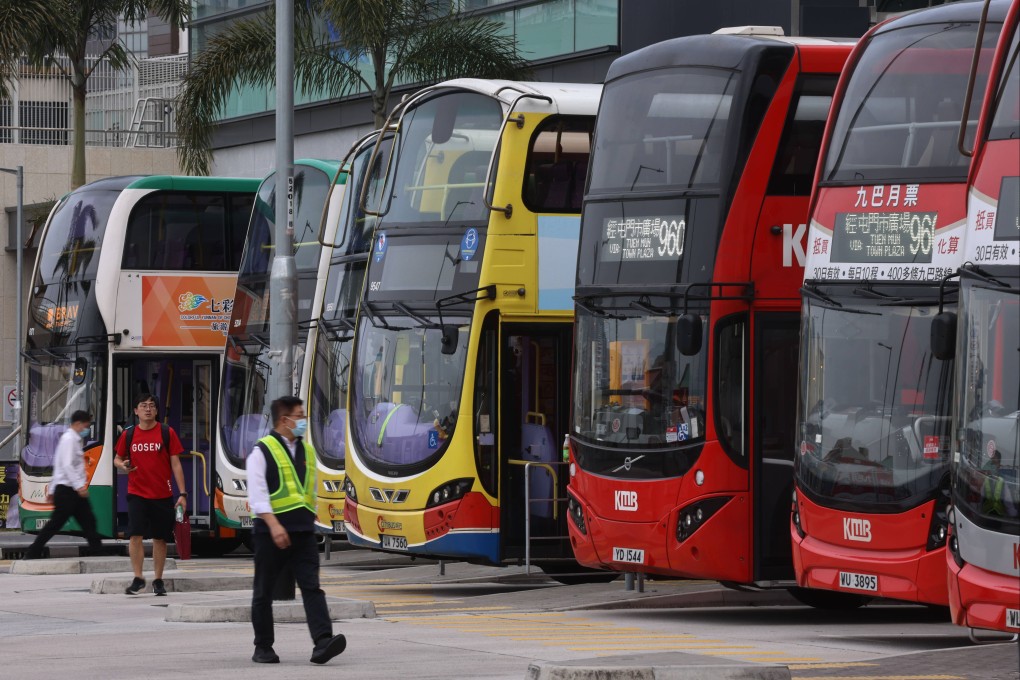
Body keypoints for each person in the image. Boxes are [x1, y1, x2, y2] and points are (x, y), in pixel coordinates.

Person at [247, 396, 346, 665]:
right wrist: (274, 525)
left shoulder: (308, 451)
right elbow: (258, 496)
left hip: (303, 532)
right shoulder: (262, 451)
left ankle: (323, 642)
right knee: (264, 591)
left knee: (312, 587)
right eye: (299, 416)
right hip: (271, 533)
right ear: (284, 420)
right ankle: (263, 647)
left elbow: (308, 490)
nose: (303, 421)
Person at [113, 394, 187, 596]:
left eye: (152, 406)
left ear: (156, 411)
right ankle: (138, 578)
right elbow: (117, 459)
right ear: (136, 411)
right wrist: (123, 465)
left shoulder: (166, 432)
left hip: (162, 494)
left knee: (160, 538)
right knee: (135, 535)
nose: (148, 409)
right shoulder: (128, 435)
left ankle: (158, 579)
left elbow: (176, 464)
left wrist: (183, 493)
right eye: (143, 405)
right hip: (137, 493)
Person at [24, 411, 104, 559]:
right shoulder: (69, 439)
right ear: (78, 423)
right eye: (86, 425)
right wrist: (79, 486)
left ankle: (97, 550)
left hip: (68, 490)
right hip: (68, 491)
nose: (86, 428)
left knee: (88, 520)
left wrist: (52, 490)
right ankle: (33, 551)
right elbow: (66, 466)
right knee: (55, 524)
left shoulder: (72, 439)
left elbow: (58, 465)